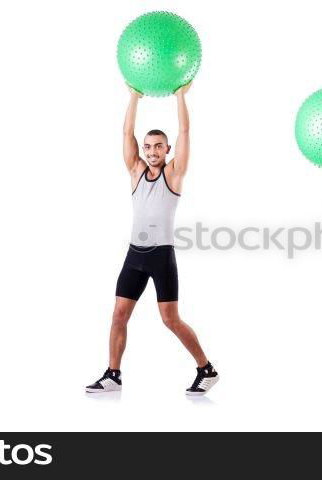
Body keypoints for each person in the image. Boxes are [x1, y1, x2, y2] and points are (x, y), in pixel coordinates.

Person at [85, 83, 218, 396]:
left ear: (167, 150)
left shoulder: (174, 175)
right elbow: (125, 131)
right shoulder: (135, 172)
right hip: (135, 255)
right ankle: (113, 374)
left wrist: (181, 96)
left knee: (170, 319)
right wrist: (134, 96)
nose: (153, 151)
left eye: (159, 146)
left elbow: (184, 130)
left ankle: (206, 369)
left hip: (161, 256)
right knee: (118, 314)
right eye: (148, 146)